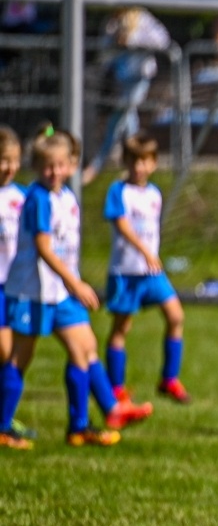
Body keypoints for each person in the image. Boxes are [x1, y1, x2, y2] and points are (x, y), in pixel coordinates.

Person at [0, 128, 150, 450]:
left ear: (71, 164)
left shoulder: (66, 197)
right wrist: (75, 282)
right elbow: (43, 246)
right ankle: (3, 426)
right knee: (20, 358)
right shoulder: (38, 198)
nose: (54, 173)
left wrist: (71, 283)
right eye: (47, 167)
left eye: (60, 165)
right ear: (38, 167)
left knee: (84, 348)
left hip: (62, 291)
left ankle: (79, 426)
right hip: (31, 291)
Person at [102, 132, 188, 407]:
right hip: (126, 271)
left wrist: (151, 255)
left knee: (175, 316)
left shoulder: (154, 193)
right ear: (125, 162)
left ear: (153, 163)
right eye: (133, 161)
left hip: (152, 272)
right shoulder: (119, 191)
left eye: (145, 161)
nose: (139, 167)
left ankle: (169, 379)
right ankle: (116, 388)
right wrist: (145, 251)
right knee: (121, 328)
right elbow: (122, 225)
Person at [83, 6, 170, 186]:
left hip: (140, 78)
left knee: (120, 115)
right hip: (121, 79)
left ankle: (97, 165)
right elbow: (104, 51)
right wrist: (115, 42)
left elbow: (162, 40)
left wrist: (132, 39)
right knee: (128, 117)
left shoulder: (143, 19)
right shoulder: (112, 23)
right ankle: (137, 161)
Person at [0, 127, 27, 447]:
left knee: (15, 355)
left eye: (14, 161)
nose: (9, 167)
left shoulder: (22, 197)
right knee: (7, 352)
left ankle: (5, 419)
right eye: (3, 160)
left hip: (16, 287)